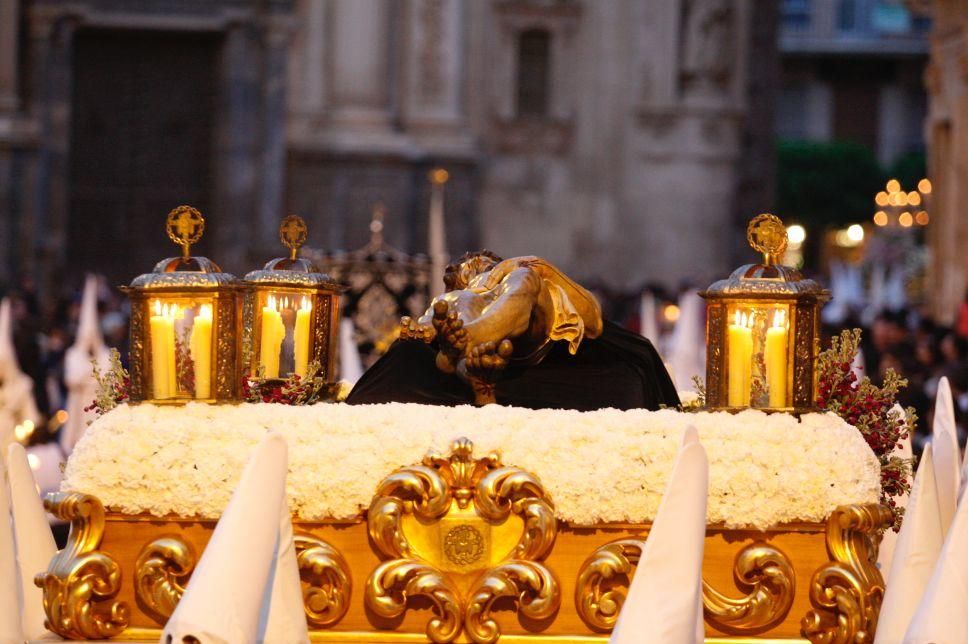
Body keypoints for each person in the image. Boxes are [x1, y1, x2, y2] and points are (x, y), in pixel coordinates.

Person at [347, 251, 680, 411]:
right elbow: (426, 327)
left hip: (529, 318)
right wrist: (426, 329)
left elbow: (584, 311)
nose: (471, 267)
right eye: (465, 269)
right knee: (456, 309)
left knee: (522, 283)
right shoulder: (456, 298)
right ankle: (473, 368)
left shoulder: (517, 270)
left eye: (477, 264)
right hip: (477, 339)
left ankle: (468, 348)